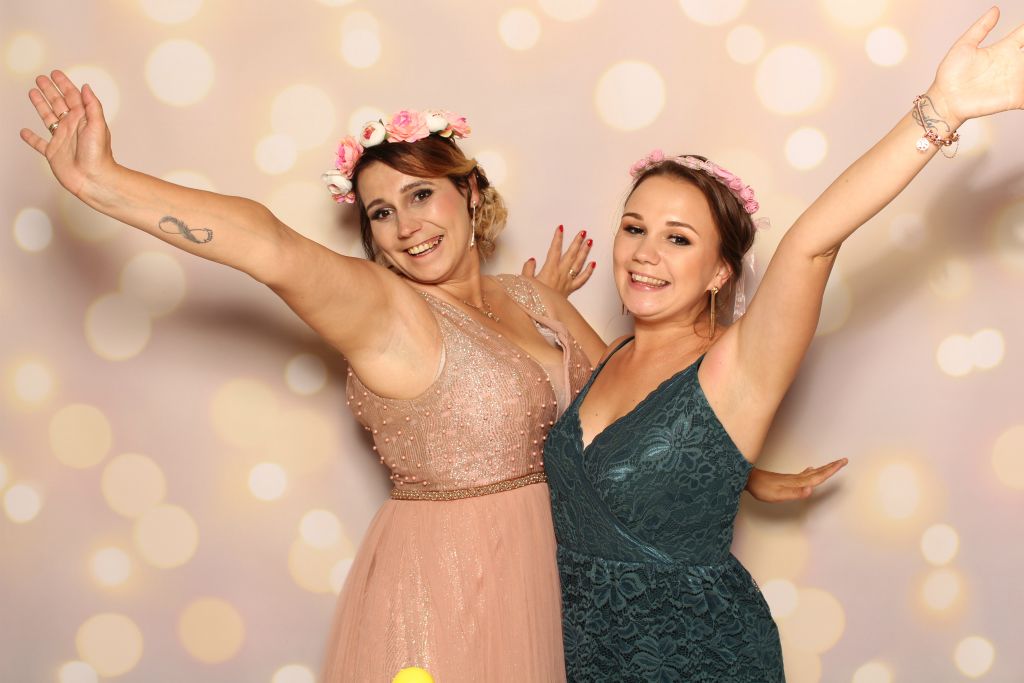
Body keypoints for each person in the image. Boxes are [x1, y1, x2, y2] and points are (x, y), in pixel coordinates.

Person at [20, 80, 841, 680]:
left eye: (421, 195)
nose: (406, 226)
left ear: (469, 194)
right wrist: (103, 183)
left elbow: (641, 413)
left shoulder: (532, 298)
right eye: (380, 212)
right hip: (448, 585)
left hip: (560, 594)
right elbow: (269, 245)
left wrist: (742, 469)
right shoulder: (387, 313)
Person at [542, 8, 1024, 681]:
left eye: (678, 238)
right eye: (634, 227)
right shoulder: (608, 359)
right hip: (586, 656)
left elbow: (812, 243)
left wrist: (942, 107)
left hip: (698, 658)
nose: (646, 253)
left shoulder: (736, 367)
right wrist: (543, 299)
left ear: (720, 273)